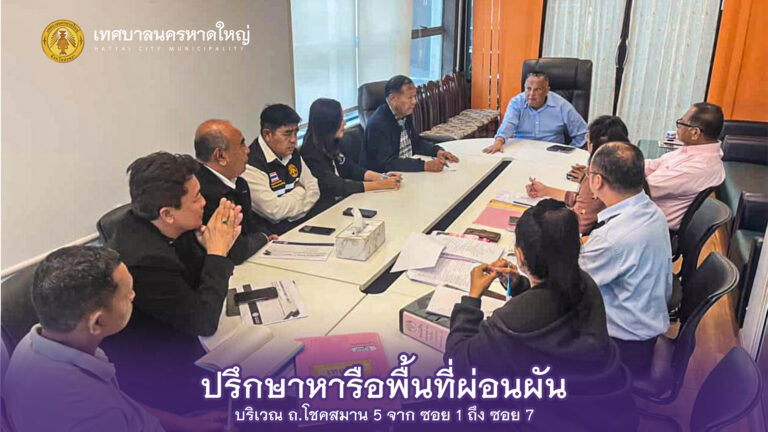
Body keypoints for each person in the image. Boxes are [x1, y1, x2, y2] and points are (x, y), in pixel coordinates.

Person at [444, 200, 638, 432]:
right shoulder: (585, 283)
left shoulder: (509, 325)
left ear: (519, 256)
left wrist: (472, 299)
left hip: (556, 418)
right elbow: (551, 310)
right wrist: (520, 286)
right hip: (606, 410)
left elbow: (458, 361)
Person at [4, 246, 232, 431]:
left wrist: (188, 425)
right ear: (97, 322)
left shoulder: (33, 341)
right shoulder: (91, 416)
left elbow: (122, 405)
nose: (133, 295)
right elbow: (109, 410)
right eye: (127, 294)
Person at [102, 152, 242, 412]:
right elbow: (203, 321)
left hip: (181, 336)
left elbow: (194, 282)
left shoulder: (165, 225)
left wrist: (211, 246)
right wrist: (217, 253)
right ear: (167, 214)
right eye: (196, 198)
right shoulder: (145, 261)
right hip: (159, 375)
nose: (204, 202)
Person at [579, 141, 672, 375]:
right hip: (644, 331)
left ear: (597, 181)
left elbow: (570, 283)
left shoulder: (611, 239)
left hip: (622, 348)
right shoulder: (651, 210)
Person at [525, 115, 629, 235]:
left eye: (587, 138)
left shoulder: (596, 179)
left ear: (592, 145)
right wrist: (546, 191)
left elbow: (577, 226)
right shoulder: (627, 168)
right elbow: (588, 202)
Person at [194, 119, 278, 264]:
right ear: (221, 156)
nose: (248, 150)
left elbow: (250, 224)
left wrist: (267, 234)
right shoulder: (202, 193)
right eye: (241, 145)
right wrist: (263, 237)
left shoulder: (239, 182)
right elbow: (235, 250)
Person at [300, 98, 403, 210]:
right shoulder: (310, 154)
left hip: (346, 202)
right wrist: (378, 185)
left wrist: (382, 177)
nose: (344, 123)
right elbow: (338, 186)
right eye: (340, 119)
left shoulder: (333, 142)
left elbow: (351, 168)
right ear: (328, 123)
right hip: (328, 209)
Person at [645, 102, 726, 230]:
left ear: (695, 132)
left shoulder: (699, 167)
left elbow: (642, 189)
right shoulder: (695, 151)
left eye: (682, 123)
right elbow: (654, 165)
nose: (678, 127)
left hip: (649, 226)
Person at [242, 103, 321, 234]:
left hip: (302, 225)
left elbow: (314, 188)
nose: (294, 140)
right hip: (274, 236)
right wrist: (300, 190)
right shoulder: (251, 165)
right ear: (267, 134)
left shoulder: (292, 153)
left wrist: (293, 212)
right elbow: (275, 211)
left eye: (296, 132)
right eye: (287, 134)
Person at [362, 75, 459, 173]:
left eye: (414, 96)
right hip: (389, 177)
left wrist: (437, 151)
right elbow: (387, 163)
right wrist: (424, 165)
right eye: (410, 97)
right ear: (393, 99)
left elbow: (415, 142)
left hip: (408, 170)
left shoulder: (404, 113)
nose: (414, 102)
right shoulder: (377, 125)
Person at [483, 71, 587, 153]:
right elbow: (508, 123)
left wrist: (568, 152)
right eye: (528, 89)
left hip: (551, 154)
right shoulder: (516, 102)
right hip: (521, 151)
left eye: (537, 89)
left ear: (547, 91)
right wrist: (499, 141)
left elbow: (583, 133)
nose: (531, 94)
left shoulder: (561, 105)